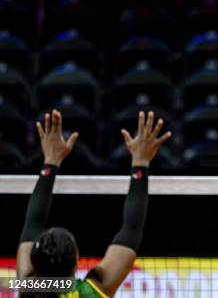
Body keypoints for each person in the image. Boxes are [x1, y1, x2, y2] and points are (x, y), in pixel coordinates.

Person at [17, 110, 171, 297]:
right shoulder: (93, 290)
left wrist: (50, 160)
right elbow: (132, 228)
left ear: (33, 259)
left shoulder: (27, 286)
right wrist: (141, 161)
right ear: (76, 261)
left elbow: (32, 222)